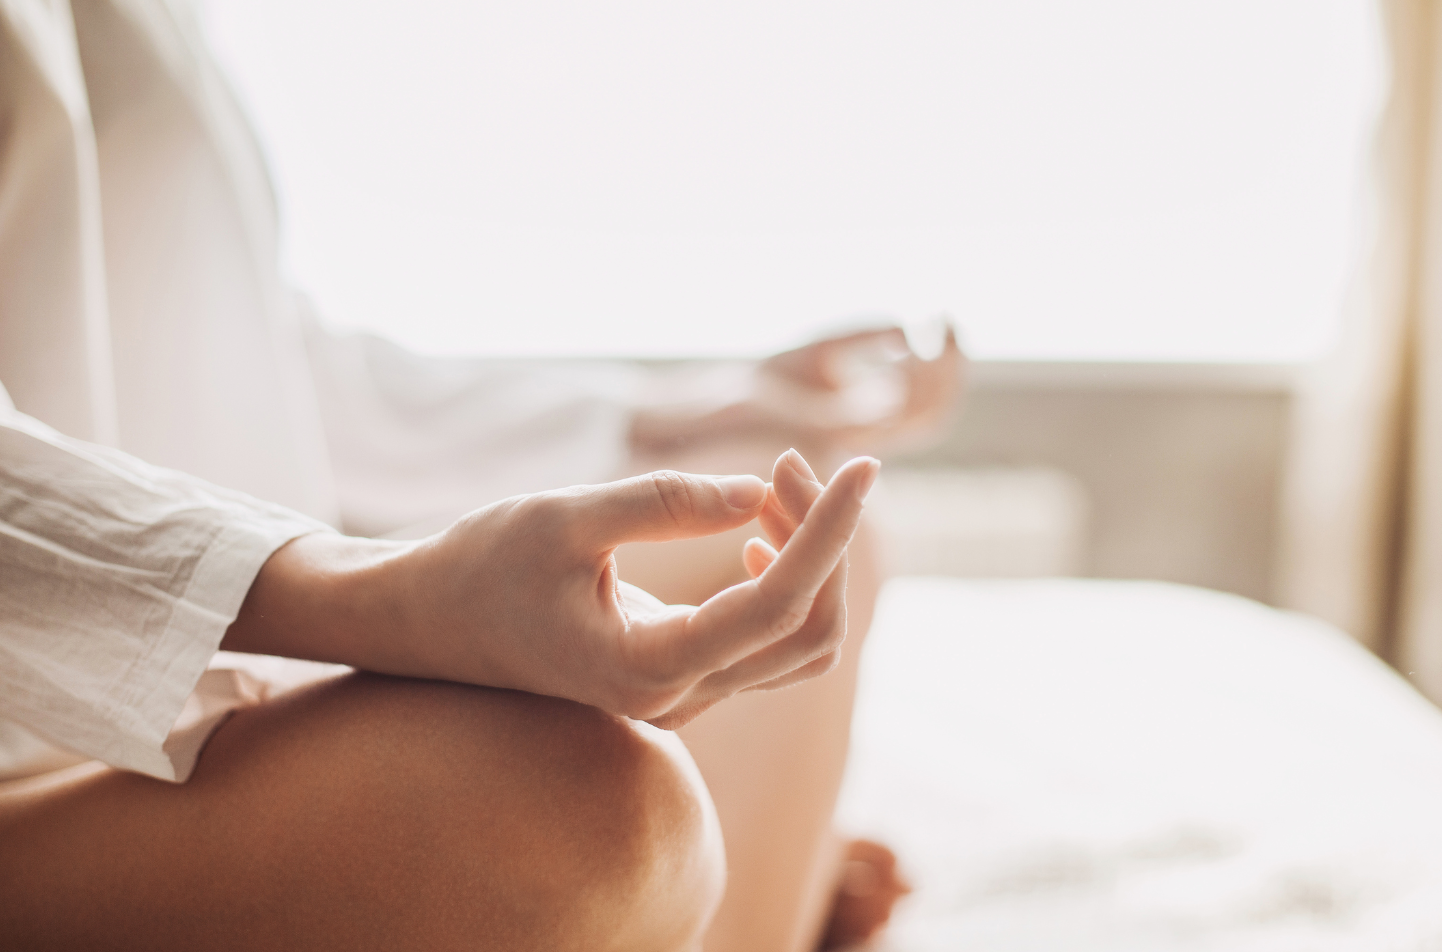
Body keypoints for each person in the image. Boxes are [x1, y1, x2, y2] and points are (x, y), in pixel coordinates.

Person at [0, 1, 962, 949]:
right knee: (598, 810)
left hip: (213, 671)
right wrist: (372, 597)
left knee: (786, 533)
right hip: (27, 760)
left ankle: (714, 912)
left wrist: (681, 412)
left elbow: (251, 353)